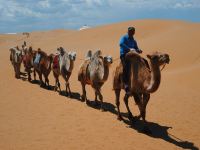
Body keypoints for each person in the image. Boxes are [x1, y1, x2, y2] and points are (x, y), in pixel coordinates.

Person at [119, 26, 142, 94]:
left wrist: (139, 50)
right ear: (128, 32)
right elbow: (121, 44)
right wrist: (129, 49)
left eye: (132, 32)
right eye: (130, 31)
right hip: (124, 55)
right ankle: (126, 84)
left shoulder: (134, 41)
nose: (131, 33)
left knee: (143, 62)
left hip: (133, 55)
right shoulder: (124, 38)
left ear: (134, 32)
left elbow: (136, 48)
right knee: (126, 66)